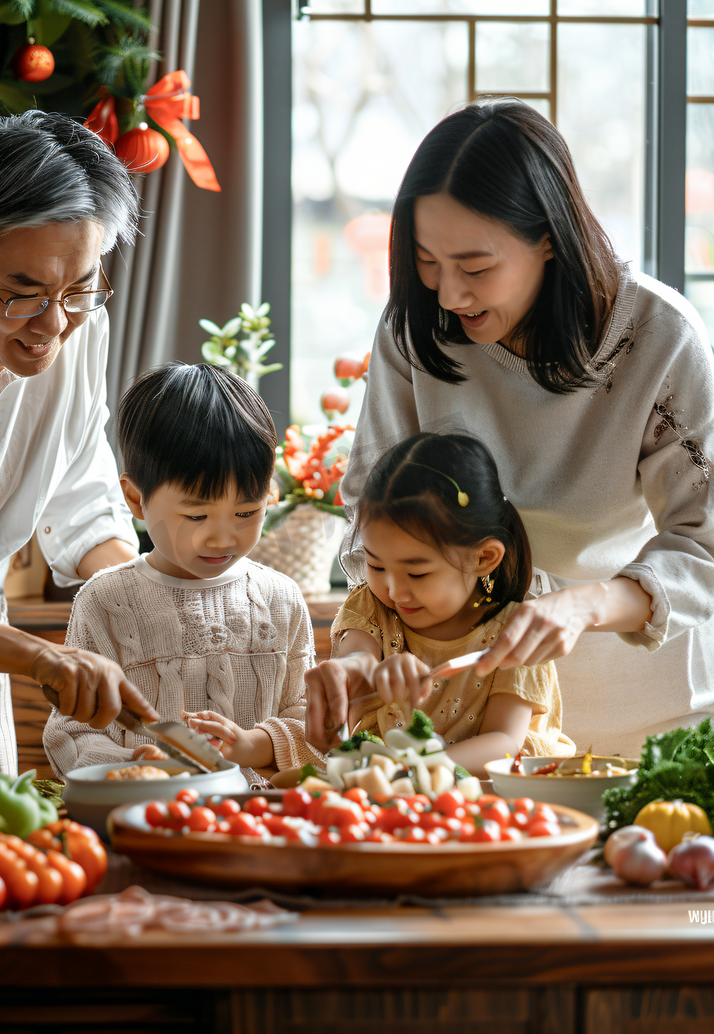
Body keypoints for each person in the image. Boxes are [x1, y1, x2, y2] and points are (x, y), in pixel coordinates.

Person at [306, 97, 714, 759]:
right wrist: (357, 658)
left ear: (549, 237)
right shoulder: (416, 333)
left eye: (474, 267)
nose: (448, 296)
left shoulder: (658, 337)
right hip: (463, 725)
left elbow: (705, 545)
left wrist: (584, 605)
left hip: (644, 715)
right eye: (426, 262)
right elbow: (372, 517)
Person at [0, 111, 159, 777]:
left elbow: (79, 492)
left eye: (80, 289)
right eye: (23, 294)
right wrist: (40, 656)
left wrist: (140, 606)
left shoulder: (79, 326)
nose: (53, 326)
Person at [43, 362, 323, 784]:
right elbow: (71, 733)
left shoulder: (280, 598)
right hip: (148, 819)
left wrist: (255, 743)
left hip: (259, 824)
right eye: (197, 515)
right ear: (136, 500)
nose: (222, 538)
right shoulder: (105, 601)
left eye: (247, 512)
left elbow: (312, 723)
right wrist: (130, 763)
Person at [306, 433, 574, 776]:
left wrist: (413, 771)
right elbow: (357, 658)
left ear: (484, 558)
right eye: (376, 566)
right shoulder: (371, 606)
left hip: (495, 798)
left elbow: (503, 742)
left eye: (417, 573)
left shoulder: (518, 633)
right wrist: (359, 672)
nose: (395, 591)